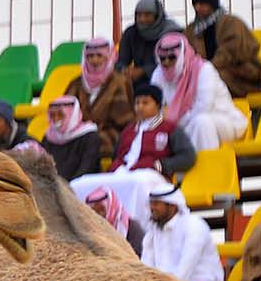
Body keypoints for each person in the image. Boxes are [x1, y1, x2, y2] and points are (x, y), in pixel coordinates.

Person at [70, 85, 194, 223]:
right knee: (79, 183)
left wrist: (161, 165)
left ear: (158, 105)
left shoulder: (169, 128)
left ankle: (136, 227)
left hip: (153, 175)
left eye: (145, 103)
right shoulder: (128, 131)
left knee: (138, 182)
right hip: (123, 173)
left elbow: (188, 157)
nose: (140, 107)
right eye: (137, 103)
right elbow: (116, 156)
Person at [154, 31, 250, 151]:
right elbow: (154, 106)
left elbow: (203, 107)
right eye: (162, 58)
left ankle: (209, 168)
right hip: (182, 126)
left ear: (182, 55)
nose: (166, 62)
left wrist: (174, 124)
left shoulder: (204, 70)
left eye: (172, 57)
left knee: (201, 123)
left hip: (223, 120)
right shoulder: (159, 74)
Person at [141, 186, 224, 281]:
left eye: (156, 204)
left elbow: (185, 270)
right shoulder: (153, 230)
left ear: (172, 205)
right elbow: (146, 266)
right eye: (151, 203)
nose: (152, 208)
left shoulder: (194, 225)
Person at [189, 0, 261, 99]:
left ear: (212, 4)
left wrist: (207, 69)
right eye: (195, 4)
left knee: (213, 79)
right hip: (208, 72)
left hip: (241, 73)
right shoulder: (192, 29)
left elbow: (230, 51)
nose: (198, 7)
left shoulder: (231, 23)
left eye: (202, 4)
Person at [72, 34, 137, 141]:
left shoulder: (119, 81)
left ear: (109, 57)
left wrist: (91, 127)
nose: (94, 61)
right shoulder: (76, 83)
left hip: (111, 137)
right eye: (90, 56)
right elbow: (66, 113)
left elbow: (124, 121)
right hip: (79, 134)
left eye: (99, 56)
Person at [117, 0, 182, 88]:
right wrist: (125, 70)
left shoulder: (171, 32)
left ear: (157, 16)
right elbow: (121, 61)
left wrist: (144, 71)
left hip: (168, 80)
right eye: (139, 15)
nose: (142, 19)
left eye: (147, 15)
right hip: (137, 83)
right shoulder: (131, 33)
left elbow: (175, 61)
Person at [38, 94, 107, 179]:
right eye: (52, 115)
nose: (56, 119)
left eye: (60, 115)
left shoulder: (89, 136)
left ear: (72, 115)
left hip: (81, 186)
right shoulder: (48, 137)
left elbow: (86, 169)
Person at [83, 186, 145, 253]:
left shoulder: (131, 228)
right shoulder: (90, 231)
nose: (98, 215)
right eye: (94, 211)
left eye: (101, 210)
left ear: (111, 208)